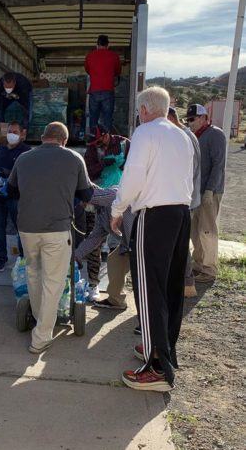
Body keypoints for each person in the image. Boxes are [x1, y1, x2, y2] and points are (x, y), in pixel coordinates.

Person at [111, 87, 193, 392]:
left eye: (138, 111)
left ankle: (157, 369)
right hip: (181, 214)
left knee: (149, 289)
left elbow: (133, 175)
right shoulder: (181, 135)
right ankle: (164, 350)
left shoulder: (145, 132)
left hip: (155, 216)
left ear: (145, 110)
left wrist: (117, 208)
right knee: (171, 288)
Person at [8, 122, 93, 354]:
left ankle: (39, 319)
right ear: (64, 140)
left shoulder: (23, 158)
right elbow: (86, 193)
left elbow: (11, 189)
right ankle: (42, 337)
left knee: (34, 273)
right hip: (57, 229)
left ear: (43, 137)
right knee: (54, 281)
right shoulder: (74, 159)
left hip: (26, 227)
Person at [79, 126, 130, 300]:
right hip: (99, 202)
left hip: (120, 202)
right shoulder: (92, 150)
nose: (98, 146)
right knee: (95, 244)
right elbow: (87, 173)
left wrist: (122, 164)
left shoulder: (125, 145)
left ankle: (116, 291)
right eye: (95, 143)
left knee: (121, 248)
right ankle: (95, 285)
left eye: (100, 142)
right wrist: (74, 258)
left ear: (108, 135)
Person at [75, 186, 135, 311]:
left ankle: (150, 313)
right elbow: (93, 239)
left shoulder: (112, 195)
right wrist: (75, 256)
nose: (82, 206)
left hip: (142, 241)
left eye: (82, 202)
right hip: (128, 244)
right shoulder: (101, 214)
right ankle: (116, 300)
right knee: (114, 261)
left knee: (144, 277)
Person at [186, 104, 226, 282]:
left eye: (193, 119)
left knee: (207, 230)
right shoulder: (195, 135)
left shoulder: (215, 134)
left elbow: (219, 164)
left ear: (203, 118)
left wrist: (210, 189)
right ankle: (198, 264)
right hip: (196, 192)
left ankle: (209, 269)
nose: (190, 122)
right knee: (195, 231)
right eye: (188, 119)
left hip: (210, 191)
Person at [167, 107, 201, 297]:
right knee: (180, 242)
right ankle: (184, 282)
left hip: (184, 200)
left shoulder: (182, 137)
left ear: (170, 118)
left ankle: (187, 283)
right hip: (188, 198)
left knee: (180, 243)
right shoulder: (187, 135)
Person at [0, 121, 31, 272]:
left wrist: (9, 174)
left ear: (22, 134)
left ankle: (23, 257)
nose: (11, 135)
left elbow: (26, 174)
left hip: (15, 196)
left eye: (15, 132)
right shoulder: (1, 149)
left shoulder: (26, 151)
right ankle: (1, 258)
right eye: (9, 131)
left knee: (20, 227)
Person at [84, 35, 121, 133]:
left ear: (97, 45)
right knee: (107, 118)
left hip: (94, 92)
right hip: (108, 92)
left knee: (93, 118)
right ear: (108, 45)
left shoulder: (90, 56)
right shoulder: (114, 56)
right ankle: (107, 143)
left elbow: (88, 70)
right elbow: (117, 71)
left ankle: (93, 142)